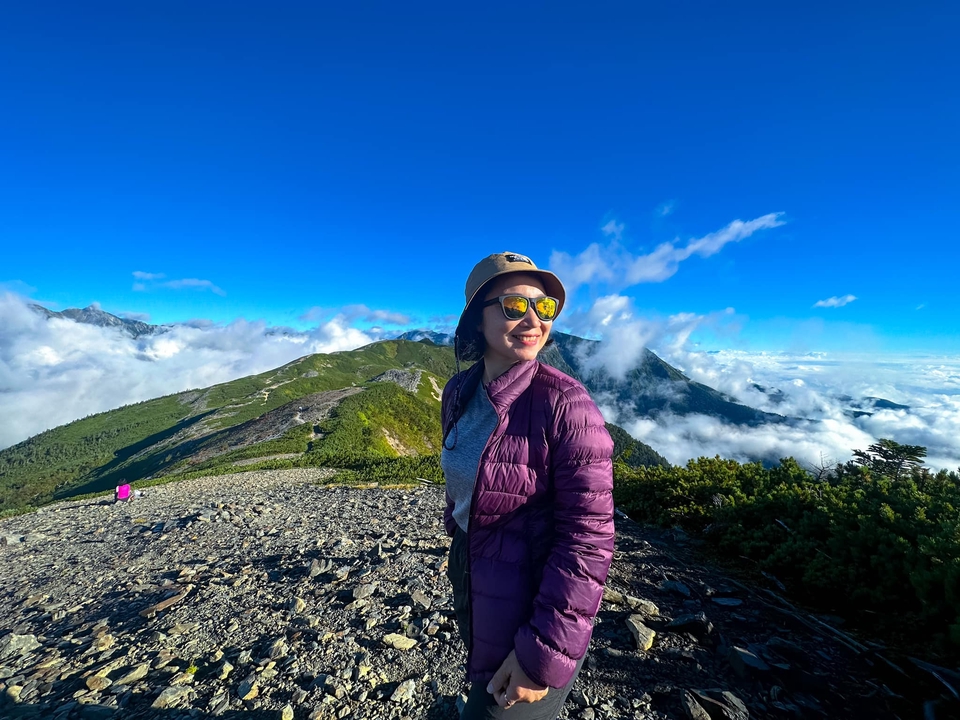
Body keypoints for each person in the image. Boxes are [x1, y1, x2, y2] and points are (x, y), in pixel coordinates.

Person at [441, 251, 615, 719]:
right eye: (514, 306)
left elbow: (589, 541)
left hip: (535, 591)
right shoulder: (458, 392)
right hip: (471, 563)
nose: (533, 319)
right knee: (482, 681)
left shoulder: (568, 405)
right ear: (476, 320)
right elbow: (465, 470)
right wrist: (457, 520)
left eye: (544, 308)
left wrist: (542, 657)